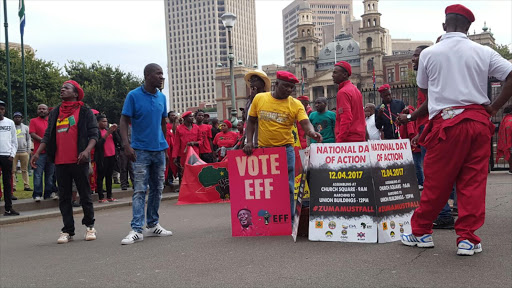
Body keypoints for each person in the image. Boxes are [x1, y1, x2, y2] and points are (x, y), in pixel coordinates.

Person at [398, 4, 512, 256]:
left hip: (446, 124)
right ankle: (467, 239)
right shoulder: (484, 52)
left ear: (443, 26)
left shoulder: (429, 53)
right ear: (469, 28)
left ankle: (421, 233)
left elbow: (427, 94)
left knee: (437, 183)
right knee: (473, 183)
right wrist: (493, 108)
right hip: (478, 122)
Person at [243, 71, 322, 218]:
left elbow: (306, 123)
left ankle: (289, 218)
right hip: (264, 151)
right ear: (276, 84)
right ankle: (268, 218)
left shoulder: (295, 104)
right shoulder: (260, 98)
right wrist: (249, 142)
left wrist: (311, 132)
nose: (289, 90)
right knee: (266, 188)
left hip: (286, 150)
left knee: (288, 187)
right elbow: (251, 121)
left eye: (291, 87)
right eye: (286, 86)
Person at [31, 80, 98, 243]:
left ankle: (90, 226)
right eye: (62, 87)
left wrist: (86, 151)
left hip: (79, 160)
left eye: (66, 88)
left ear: (75, 93)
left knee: (85, 195)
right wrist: (37, 153)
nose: (62, 89)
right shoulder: (55, 113)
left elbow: (94, 135)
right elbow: (47, 135)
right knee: (64, 197)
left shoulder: (85, 111)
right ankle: (68, 230)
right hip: (60, 162)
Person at [120, 63, 173, 245]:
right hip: (140, 150)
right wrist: (126, 145)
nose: (161, 77)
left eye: (162, 74)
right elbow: (124, 120)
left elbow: (163, 123)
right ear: (148, 75)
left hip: (159, 149)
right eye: (158, 74)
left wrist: (164, 146)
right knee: (140, 189)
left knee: (158, 189)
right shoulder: (133, 96)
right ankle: (136, 229)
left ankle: (152, 224)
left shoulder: (162, 97)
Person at [332, 61, 366, 143]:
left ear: (345, 74)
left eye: (335, 73)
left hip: (348, 140)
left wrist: (339, 140)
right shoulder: (356, 90)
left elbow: (346, 118)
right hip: (359, 137)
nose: (332, 75)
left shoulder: (343, 92)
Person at [29, 104, 56, 201]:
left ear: (47, 111)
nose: (41, 110)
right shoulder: (33, 121)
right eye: (39, 109)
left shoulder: (52, 121)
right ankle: (37, 194)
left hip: (51, 152)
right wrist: (44, 141)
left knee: (50, 174)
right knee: (38, 174)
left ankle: (48, 193)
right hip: (39, 153)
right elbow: (32, 134)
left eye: (44, 109)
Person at [0, 100, 19, 216]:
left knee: (7, 183)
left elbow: (14, 140)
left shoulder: (10, 122)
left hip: (7, 156)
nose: (0, 111)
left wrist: (12, 155)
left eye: (2, 109)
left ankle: (8, 208)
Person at [243, 69, 272, 147]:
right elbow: (248, 121)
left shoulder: (268, 99)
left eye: (254, 80)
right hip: (249, 144)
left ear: (262, 83)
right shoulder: (249, 102)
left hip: (263, 143)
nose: (251, 82)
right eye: (250, 80)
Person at [95, 115, 119, 203]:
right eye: (103, 121)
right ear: (98, 122)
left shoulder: (108, 131)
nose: (105, 123)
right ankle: (101, 197)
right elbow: (98, 145)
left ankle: (109, 196)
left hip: (111, 156)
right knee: (101, 177)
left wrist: (114, 132)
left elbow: (117, 141)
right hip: (102, 157)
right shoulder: (97, 132)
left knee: (109, 177)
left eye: (106, 121)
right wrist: (107, 133)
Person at [172, 111, 202, 175]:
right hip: (183, 154)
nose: (192, 118)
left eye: (192, 116)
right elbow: (176, 144)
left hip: (195, 154)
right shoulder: (179, 128)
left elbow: (201, 141)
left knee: (195, 170)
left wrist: (194, 143)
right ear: (185, 118)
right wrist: (174, 156)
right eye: (190, 116)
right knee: (184, 171)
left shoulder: (196, 127)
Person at [12, 112, 32, 195]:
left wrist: (28, 150)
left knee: (25, 170)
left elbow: (28, 139)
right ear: (13, 118)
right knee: (13, 171)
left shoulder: (26, 128)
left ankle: (26, 185)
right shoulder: (11, 127)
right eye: (16, 117)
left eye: (19, 117)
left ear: (22, 118)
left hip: (24, 152)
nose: (17, 118)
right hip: (14, 152)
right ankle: (13, 186)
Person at [496, 104, 512, 173]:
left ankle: (511, 168)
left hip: (508, 140)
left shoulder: (505, 119)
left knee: (510, 153)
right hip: (509, 140)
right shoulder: (509, 119)